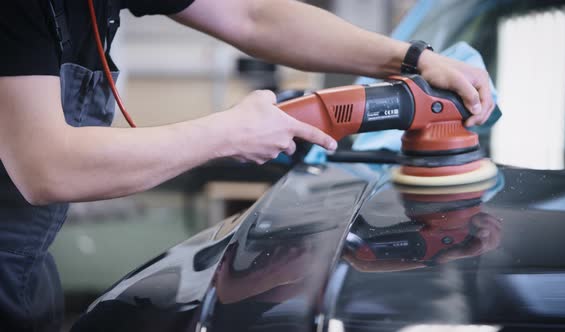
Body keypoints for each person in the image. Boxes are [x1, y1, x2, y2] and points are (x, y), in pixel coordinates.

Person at [0, 0, 495, 330]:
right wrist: (227, 133)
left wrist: (412, 58)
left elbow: (251, 15)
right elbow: (46, 167)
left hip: (27, 271)